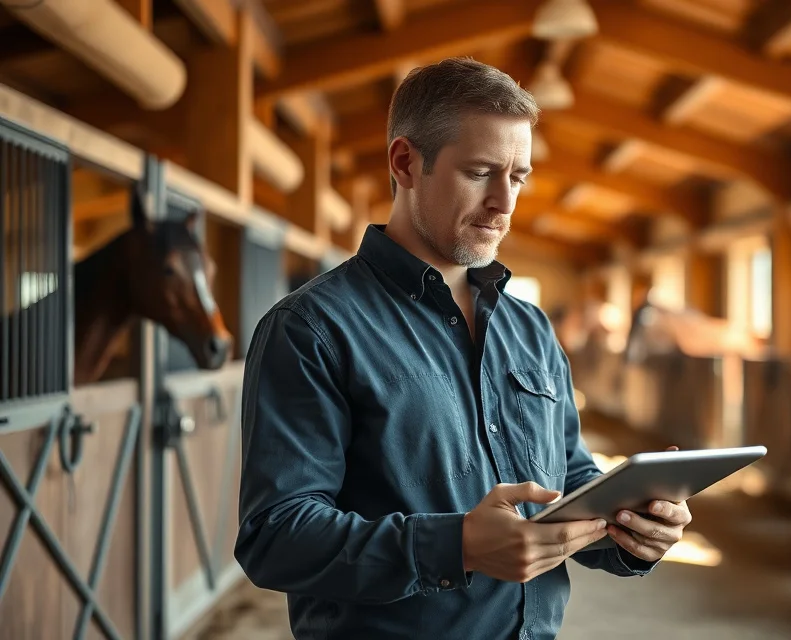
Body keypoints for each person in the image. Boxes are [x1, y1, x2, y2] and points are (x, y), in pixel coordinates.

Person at [234, 57, 693, 639]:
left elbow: (567, 478)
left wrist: (632, 527)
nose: (505, 203)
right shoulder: (311, 330)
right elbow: (275, 536)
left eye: (518, 177)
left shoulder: (528, 327)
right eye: (480, 172)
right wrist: (455, 547)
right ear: (405, 163)